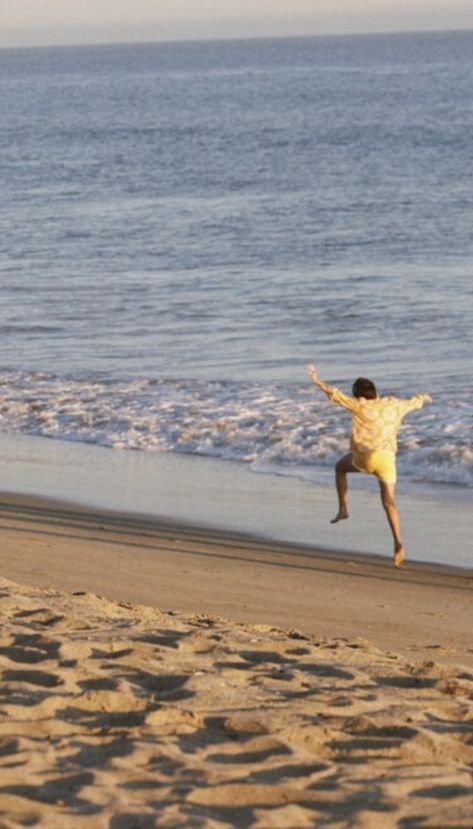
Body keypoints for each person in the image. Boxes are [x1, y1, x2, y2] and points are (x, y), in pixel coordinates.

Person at [307, 364, 432, 566]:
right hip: (387, 460)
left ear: (358, 396)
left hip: (365, 457)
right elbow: (413, 403)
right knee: (389, 503)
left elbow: (335, 394)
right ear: (376, 392)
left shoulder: (359, 405)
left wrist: (316, 379)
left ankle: (343, 508)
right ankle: (398, 541)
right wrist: (422, 398)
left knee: (340, 468)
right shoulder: (394, 404)